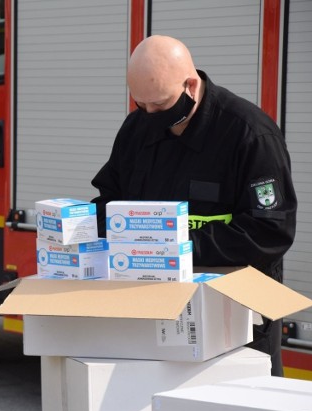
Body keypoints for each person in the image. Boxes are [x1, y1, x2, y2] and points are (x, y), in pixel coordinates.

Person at [91, 35, 296, 376]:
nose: (149, 114)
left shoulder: (250, 135)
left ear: (190, 85)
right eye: (140, 104)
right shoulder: (137, 128)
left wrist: (171, 247)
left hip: (236, 319)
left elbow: (270, 231)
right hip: (154, 312)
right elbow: (109, 199)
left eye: (159, 104)